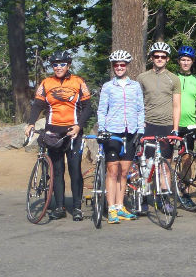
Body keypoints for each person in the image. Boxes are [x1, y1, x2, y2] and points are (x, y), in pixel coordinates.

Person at [24, 51, 93, 221]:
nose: (58, 67)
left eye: (62, 64)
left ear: (68, 65)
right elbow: (38, 104)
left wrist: (79, 126)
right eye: (55, 64)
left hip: (73, 131)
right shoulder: (46, 83)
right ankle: (60, 206)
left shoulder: (78, 81)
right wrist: (31, 122)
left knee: (75, 169)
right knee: (57, 170)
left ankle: (76, 207)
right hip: (53, 132)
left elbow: (88, 107)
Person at [96, 50, 144, 223]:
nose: (119, 67)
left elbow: (140, 109)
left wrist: (140, 130)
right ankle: (111, 209)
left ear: (127, 66)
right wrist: (102, 129)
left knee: (124, 173)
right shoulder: (108, 87)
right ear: (113, 67)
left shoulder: (135, 86)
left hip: (130, 132)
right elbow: (102, 110)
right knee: (112, 171)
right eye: (116, 65)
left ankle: (120, 205)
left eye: (122, 64)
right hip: (113, 132)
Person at [136, 42, 181, 215]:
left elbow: (176, 105)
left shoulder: (173, 79)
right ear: (152, 58)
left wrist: (175, 129)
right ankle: (145, 199)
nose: (160, 59)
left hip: (166, 125)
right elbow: (137, 103)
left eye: (163, 57)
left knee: (165, 165)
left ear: (167, 59)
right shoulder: (142, 78)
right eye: (156, 56)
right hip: (148, 125)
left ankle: (165, 200)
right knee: (147, 165)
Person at [174, 45, 196, 209]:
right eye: (183, 60)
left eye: (188, 60)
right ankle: (162, 192)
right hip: (172, 124)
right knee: (163, 158)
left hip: (189, 125)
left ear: (192, 62)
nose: (185, 63)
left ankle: (185, 192)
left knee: (187, 159)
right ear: (179, 61)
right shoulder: (172, 78)